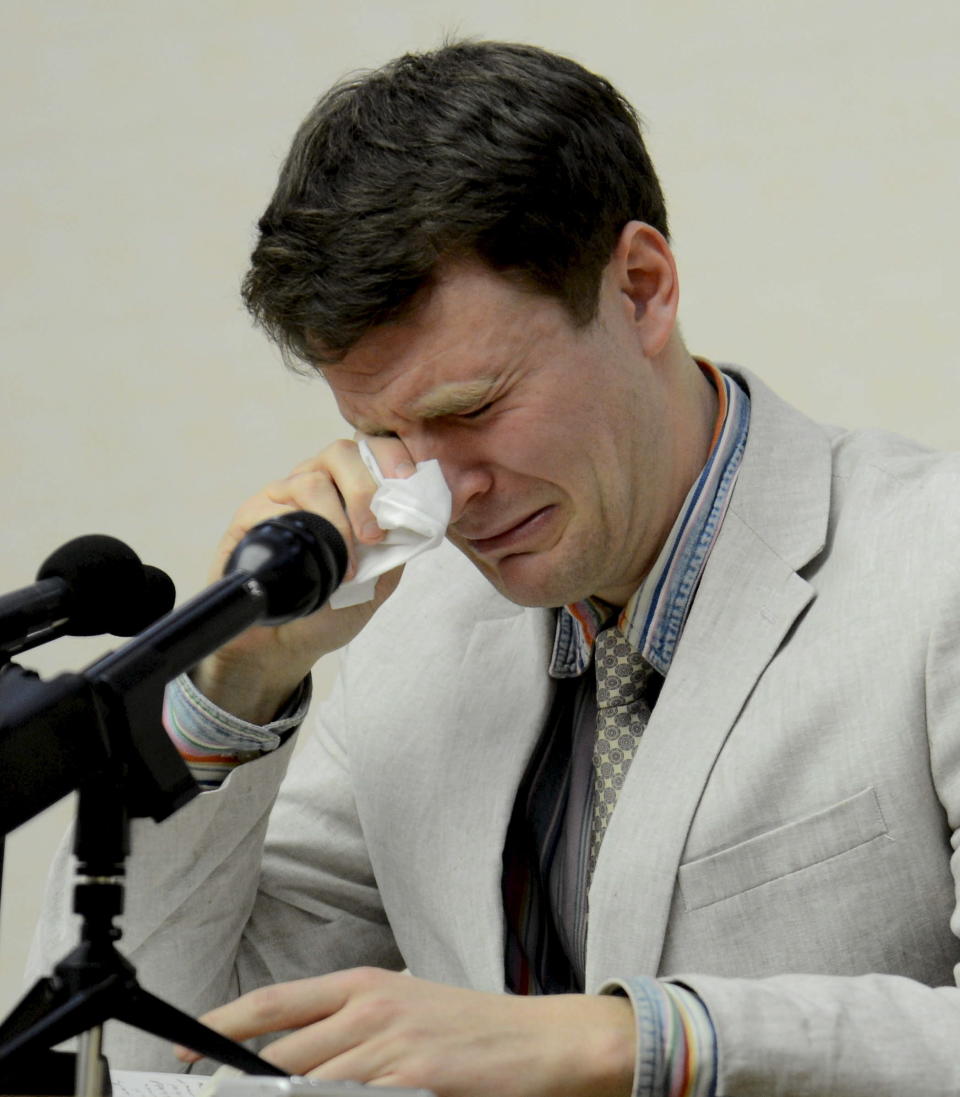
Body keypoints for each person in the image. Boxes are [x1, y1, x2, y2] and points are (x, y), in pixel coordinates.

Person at [30, 40, 960, 1097]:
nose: (444, 493)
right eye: (380, 431)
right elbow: (137, 1056)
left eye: (470, 408)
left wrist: (618, 1041)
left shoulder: (935, 560)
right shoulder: (413, 644)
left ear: (642, 289)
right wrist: (238, 682)